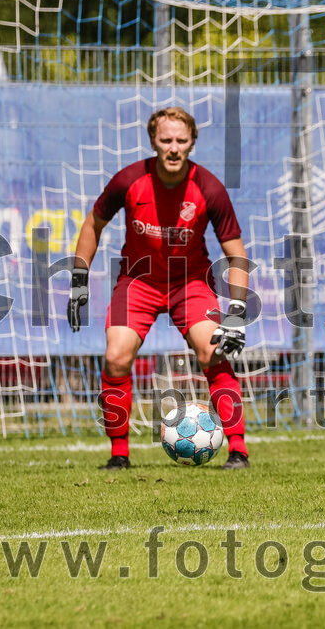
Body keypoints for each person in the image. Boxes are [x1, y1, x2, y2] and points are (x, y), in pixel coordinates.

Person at [69, 106, 253, 470]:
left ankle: (238, 449)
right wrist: (78, 280)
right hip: (137, 281)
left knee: (211, 351)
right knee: (116, 356)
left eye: (180, 140)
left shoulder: (210, 188)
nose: (173, 147)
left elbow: (237, 256)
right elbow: (93, 223)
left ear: (192, 142)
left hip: (191, 282)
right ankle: (119, 454)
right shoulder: (128, 180)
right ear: (153, 141)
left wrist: (236, 313)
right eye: (165, 139)